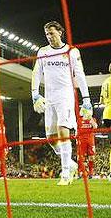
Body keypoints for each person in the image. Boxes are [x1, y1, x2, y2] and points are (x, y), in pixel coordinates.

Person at [31, 21, 92, 186]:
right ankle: (71, 164)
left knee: (63, 130)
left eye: (52, 33)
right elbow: (37, 73)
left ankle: (65, 173)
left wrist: (86, 100)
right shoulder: (43, 51)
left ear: (60, 32)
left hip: (65, 96)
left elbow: (79, 75)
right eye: (47, 34)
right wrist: (35, 95)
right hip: (49, 97)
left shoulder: (71, 51)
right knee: (51, 138)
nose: (49, 37)